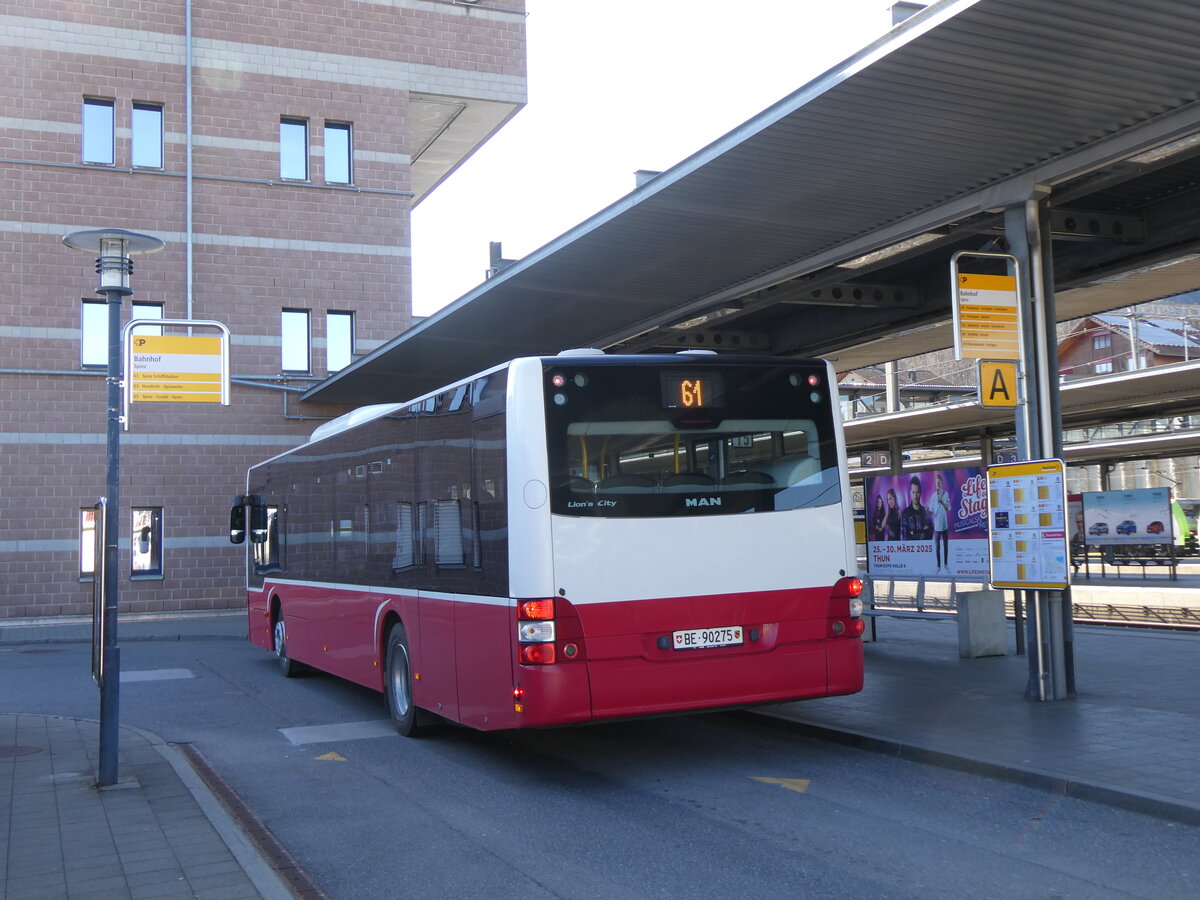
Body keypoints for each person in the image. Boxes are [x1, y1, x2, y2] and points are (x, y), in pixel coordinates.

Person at [900, 474, 932, 540]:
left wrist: (913, 532)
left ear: (920, 492)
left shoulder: (926, 512)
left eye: (917, 492)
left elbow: (929, 536)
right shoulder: (905, 513)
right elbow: (905, 537)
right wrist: (923, 532)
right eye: (913, 492)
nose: (915, 496)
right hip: (910, 549)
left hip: (924, 549)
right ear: (910, 493)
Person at [932, 473, 950, 572]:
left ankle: (946, 564)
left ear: (942, 483)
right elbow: (931, 510)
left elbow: (948, 508)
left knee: (945, 546)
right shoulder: (933, 496)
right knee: (937, 548)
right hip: (937, 527)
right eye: (936, 483)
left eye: (939, 483)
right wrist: (927, 511)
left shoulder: (946, 494)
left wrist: (942, 502)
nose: (937, 485)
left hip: (945, 526)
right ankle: (938, 566)